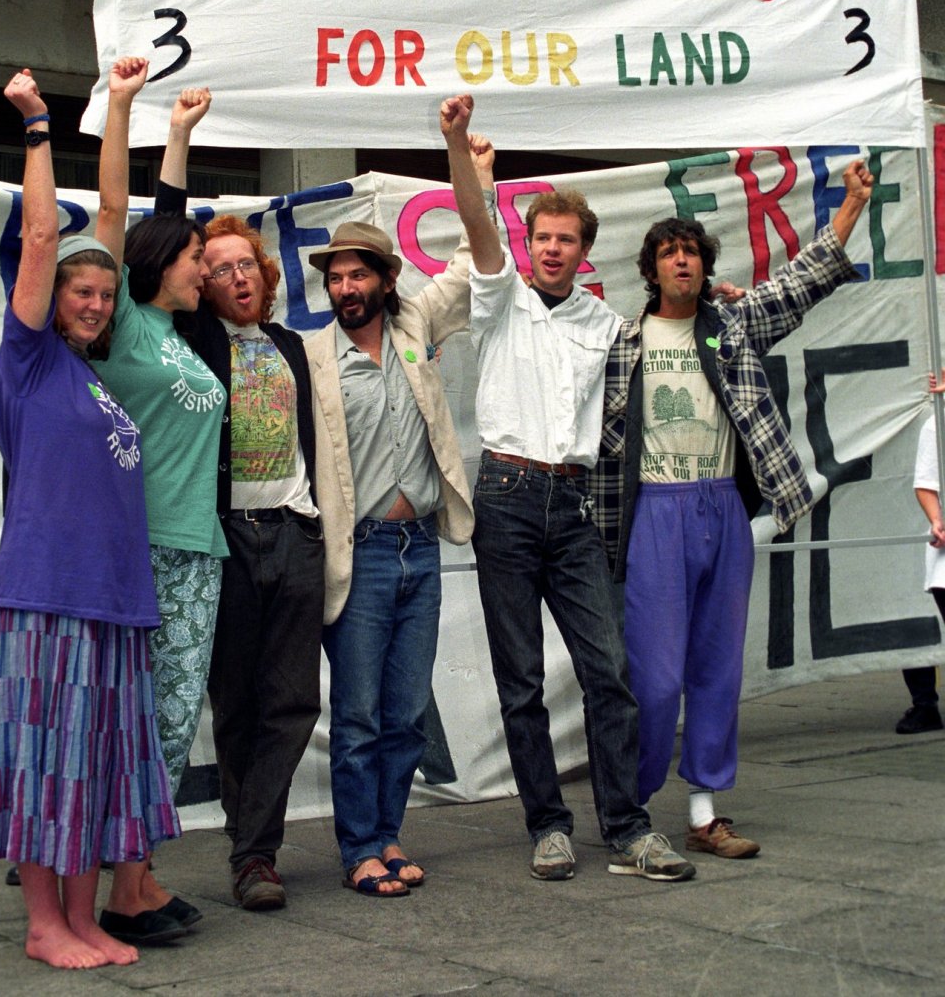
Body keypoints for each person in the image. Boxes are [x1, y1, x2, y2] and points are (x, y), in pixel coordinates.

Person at [0, 63, 179, 970]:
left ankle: (85, 920)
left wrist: (127, 109)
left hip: (114, 604)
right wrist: (39, 126)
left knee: (92, 769)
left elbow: (115, 222)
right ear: (50, 300)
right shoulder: (30, 362)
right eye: (78, 291)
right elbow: (46, 235)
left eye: (103, 294)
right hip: (46, 597)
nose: (93, 302)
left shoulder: (95, 378)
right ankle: (44, 924)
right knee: (47, 763)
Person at [444, 94, 694, 885]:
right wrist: (459, 145)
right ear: (529, 243)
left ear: (584, 251)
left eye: (566, 240)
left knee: (609, 671)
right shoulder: (501, 298)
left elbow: (677, 338)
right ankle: (548, 827)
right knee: (520, 681)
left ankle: (628, 826)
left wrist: (711, 307)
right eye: (543, 237)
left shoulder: (606, 324)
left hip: (578, 508)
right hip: (507, 499)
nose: (553, 249)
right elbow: (477, 224)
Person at [592, 159, 874, 858]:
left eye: (691, 251)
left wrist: (851, 205)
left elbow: (802, 283)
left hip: (722, 507)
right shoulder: (620, 341)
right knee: (656, 679)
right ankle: (632, 806)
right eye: (669, 252)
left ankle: (703, 811)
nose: (681, 260)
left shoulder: (732, 325)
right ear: (651, 269)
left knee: (717, 667)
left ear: (703, 265)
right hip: (654, 513)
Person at [305, 129, 494, 897]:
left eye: (358, 274)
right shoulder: (314, 358)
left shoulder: (417, 326)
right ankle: (359, 847)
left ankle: (387, 835)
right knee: (356, 715)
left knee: (408, 710)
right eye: (336, 278)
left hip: (423, 546)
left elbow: (475, 262)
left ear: (387, 279)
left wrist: (473, 173)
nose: (346, 288)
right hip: (361, 553)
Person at [153, 125, 323, 912]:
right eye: (216, 269)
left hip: (295, 534)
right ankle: (253, 855)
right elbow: (164, 231)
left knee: (294, 702)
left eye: (244, 263)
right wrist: (178, 138)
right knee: (238, 703)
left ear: (265, 272)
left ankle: (254, 848)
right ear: (202, 284)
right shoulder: (193, 342)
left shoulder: (291, 345)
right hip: (227, 541)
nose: (234, 277)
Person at [89, 86, 227, 944]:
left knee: (170, 723)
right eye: (195, 259)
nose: (205, 269)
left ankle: (137, 878)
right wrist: (130, 111)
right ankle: (123, 888)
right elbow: (120, 212)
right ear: (159, 263)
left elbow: (168, 219)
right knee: (144, 718)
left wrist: (180, 132)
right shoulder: (128, 327)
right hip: (147, 550)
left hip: (195, 550)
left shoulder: (179, 335)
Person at [896, 396, 945, 733]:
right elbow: (926, 483)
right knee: (908, 620)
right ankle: (924, 704)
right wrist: (937, 520)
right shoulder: (936, 424)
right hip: (940, 564)